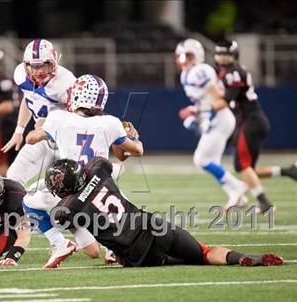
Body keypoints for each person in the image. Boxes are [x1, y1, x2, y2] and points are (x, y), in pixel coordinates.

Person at [46, 157, 284, 267]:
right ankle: (242, 257)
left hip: (135, 254)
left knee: (179, 261)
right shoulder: (99, 170)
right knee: (203, 253)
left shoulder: (67, 209)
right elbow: (103, 164)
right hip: (155, 228)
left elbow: (88, 247)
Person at [24, 74, 144, 267]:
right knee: (117, 217)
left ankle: (59, 243)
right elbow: (136, 151)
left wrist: (39, 127)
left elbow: (30, 139)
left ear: (77, 95)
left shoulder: (59, 118)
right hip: (100, 186)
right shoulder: (110, 122)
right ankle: (113, 250)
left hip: (69, 190)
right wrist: (134, 135)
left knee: (27, 200)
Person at [1, 39, 77, 267]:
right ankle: (14, 237)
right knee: (12, 181)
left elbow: (79, 117)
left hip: (65, 144)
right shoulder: (21, 75)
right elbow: (28, 98)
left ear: (54, 63)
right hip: (41, 140)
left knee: (79, 194)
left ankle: (106, 243)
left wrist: (51, 123)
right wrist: (18, 130)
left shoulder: (66, 82)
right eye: (33, 66)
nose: (38, 71)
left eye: (43, 65)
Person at [214, 39, 297, 213]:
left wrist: (200, 108)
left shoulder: (233, 73)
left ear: (233, 55)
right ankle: (288, 171)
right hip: (253, 121)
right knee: (248, 170)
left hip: (249, 122)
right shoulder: (229, 71)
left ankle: (265, 203)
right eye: (219, 53)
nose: (221, 57)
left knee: (242, 167)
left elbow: (225, 101)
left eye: (225, 53)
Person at [175, 38, 247, 211]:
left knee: (201, 160)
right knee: (212, 161)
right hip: (214, 117)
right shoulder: (187, 74)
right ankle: (237, 196)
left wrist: (199, 115)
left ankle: (237, 187)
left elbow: (218, 100)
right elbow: (204, 102)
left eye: (188, 56)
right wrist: (196, 114)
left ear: (197, 56)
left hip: (220, 117)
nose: (184, 60)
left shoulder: (200, 71)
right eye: (182, 56)